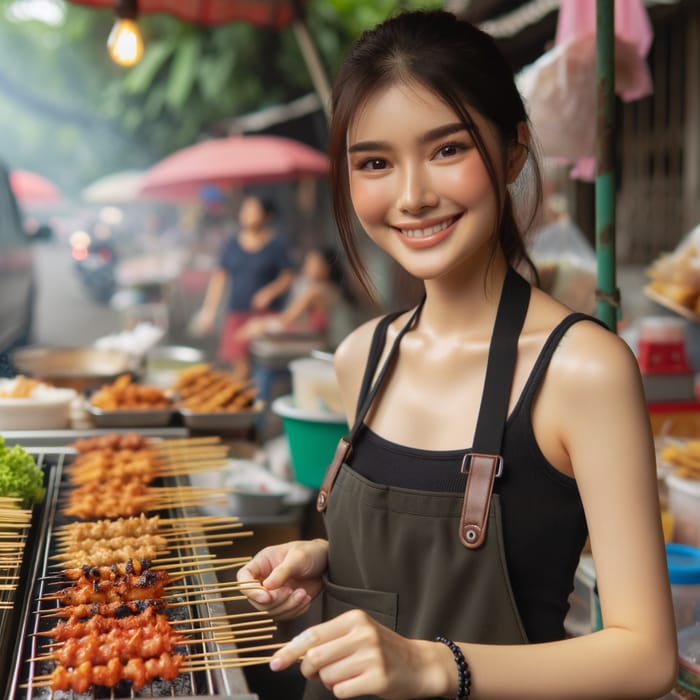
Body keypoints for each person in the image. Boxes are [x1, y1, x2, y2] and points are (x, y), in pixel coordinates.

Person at [237, 10, 677, 700]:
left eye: (447, 149)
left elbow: (645, 656)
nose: (413, 196)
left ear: (511, 151)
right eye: (375, 162)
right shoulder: (363, 356)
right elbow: (418, 561)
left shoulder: (583, 369)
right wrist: (328, 560)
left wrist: (436, 666)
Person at [193, 194, 295, 379]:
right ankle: (244, 401)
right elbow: (220, 278)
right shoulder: (232, 243)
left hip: (265, 316)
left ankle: (255, 400)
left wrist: (270, 292)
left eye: (253, 209)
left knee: (261, 366)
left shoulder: (277, 244)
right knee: (239, 366)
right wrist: (209, 311)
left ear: (266, 215)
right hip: (236, 313)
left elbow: (288, 277)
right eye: (245, 209)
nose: (246, 214)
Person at [235, 246, 356, 350]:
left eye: (313, 263)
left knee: (250, 332)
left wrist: (259, 325)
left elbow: (287, 319)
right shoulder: (334, 290)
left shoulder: (314, 292)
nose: (307, 267)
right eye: (308, 262)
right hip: (333, 344)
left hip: (323, 345)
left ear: (327, 269)